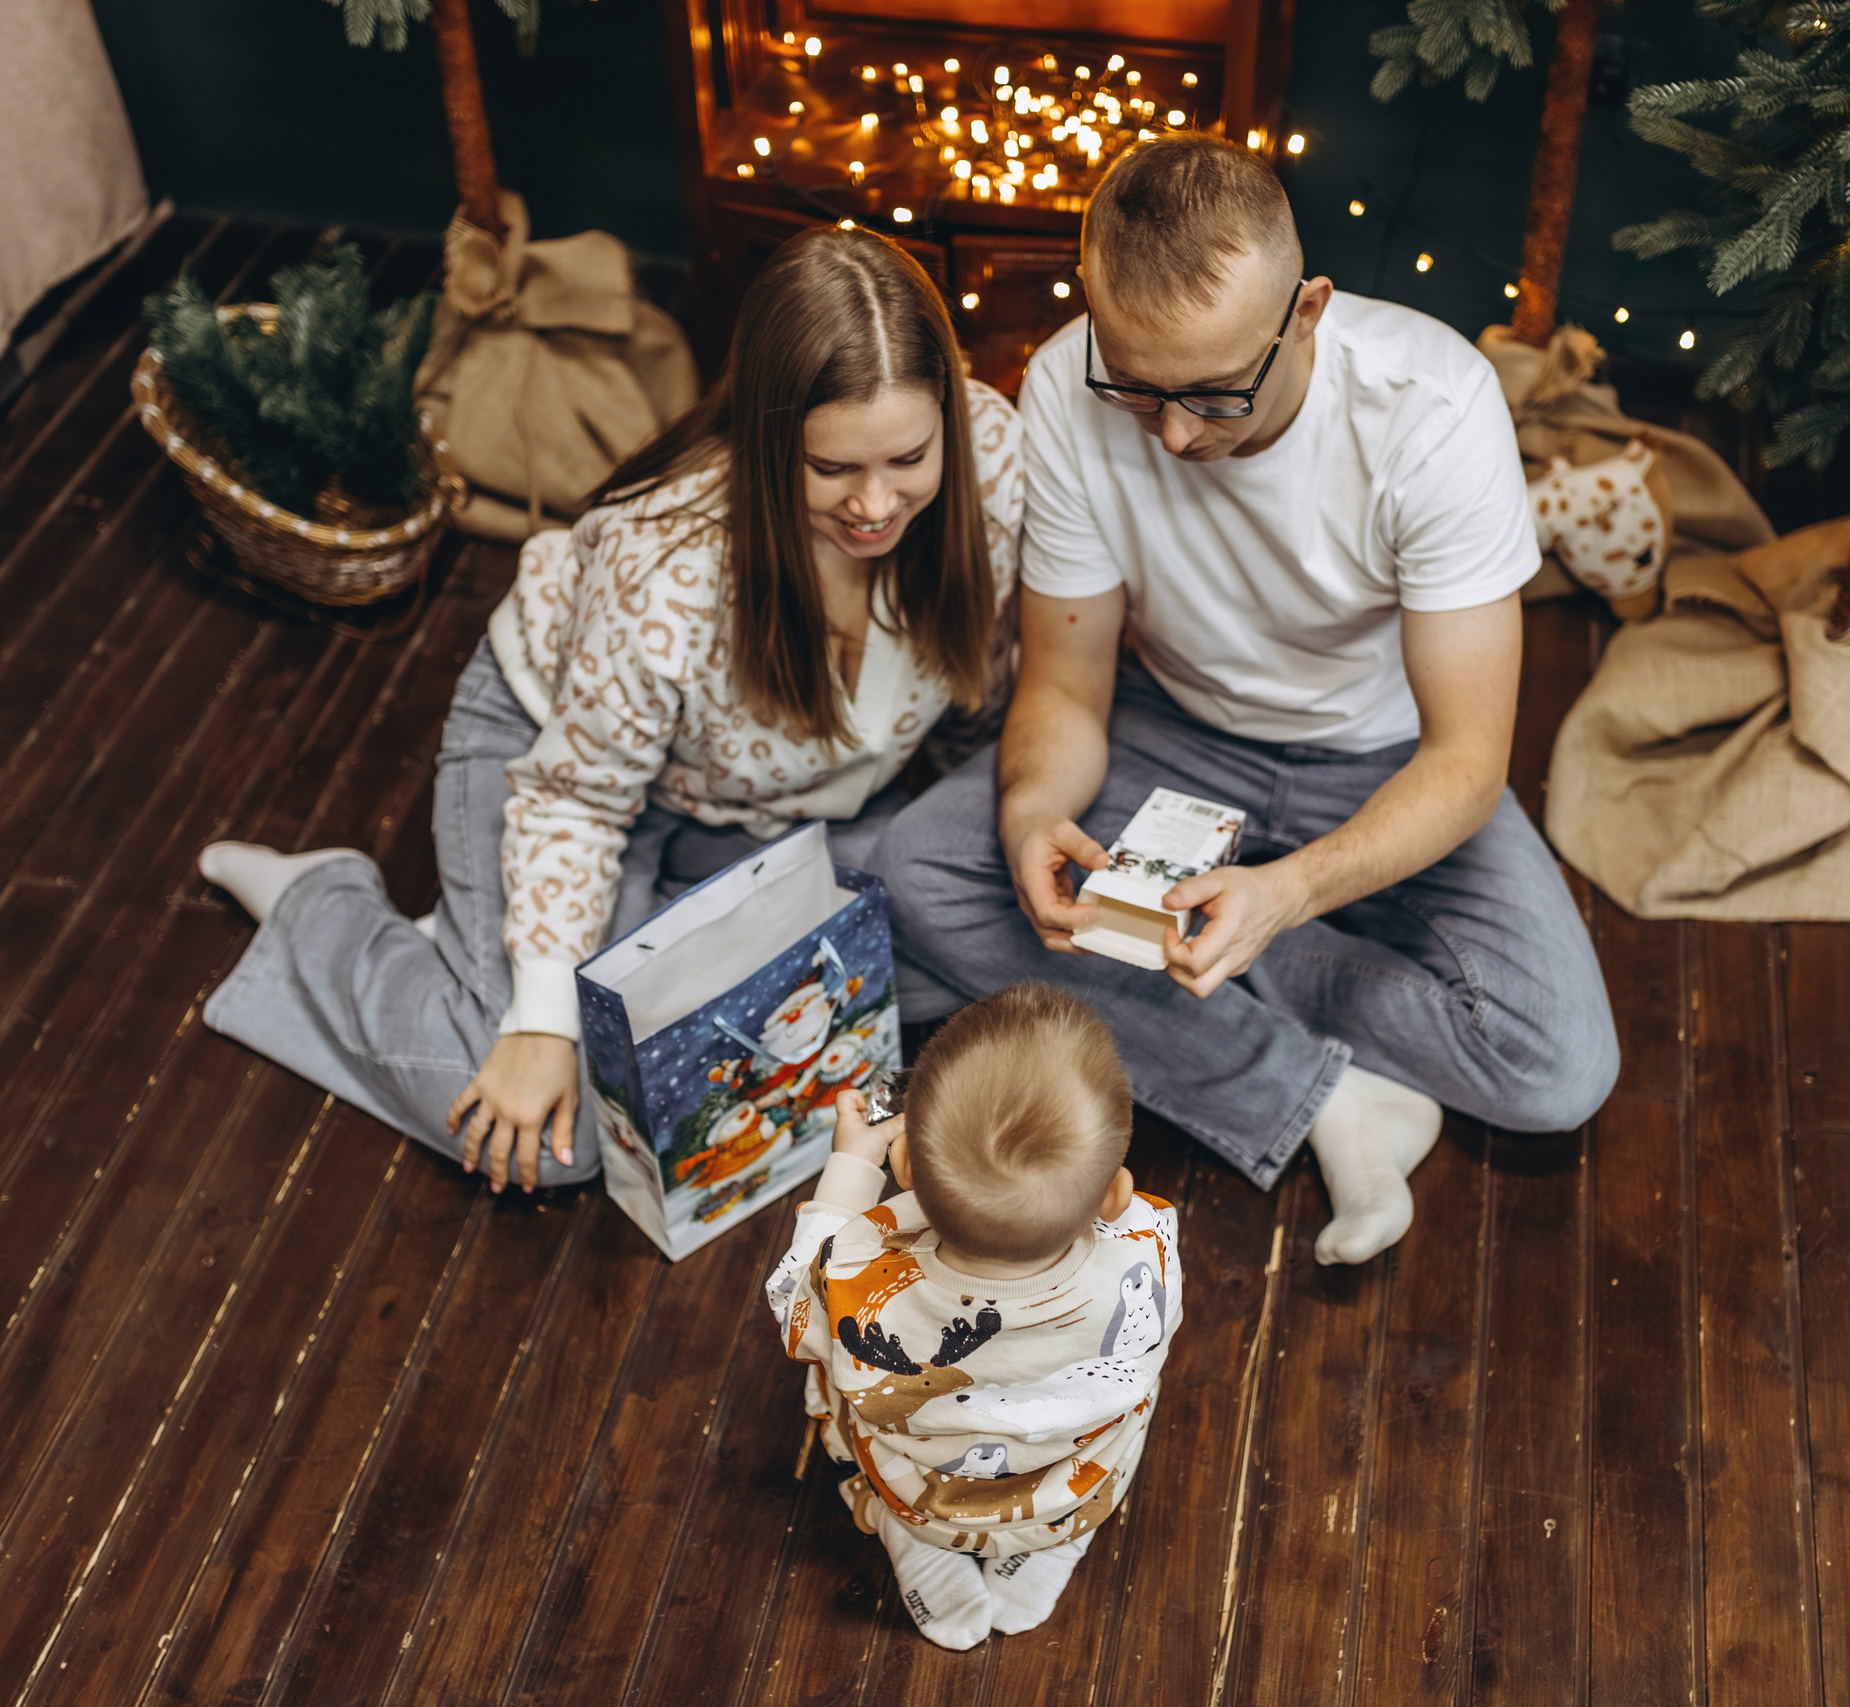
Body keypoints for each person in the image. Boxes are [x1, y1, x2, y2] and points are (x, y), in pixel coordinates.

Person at [878, 135, 1618, 1267]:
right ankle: (1327, 1100)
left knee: (1557, 1067)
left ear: (1308, 309)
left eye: (1216, 393)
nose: (1175, 435)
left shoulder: (1434, 407)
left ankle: (1169, 969)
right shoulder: (1067, 389)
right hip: (1169, 736)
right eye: (1140, 390)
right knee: (921, 865)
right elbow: (1067, 689)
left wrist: (1284, 896)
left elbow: (1469, 761)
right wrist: (1033, 817)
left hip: (1384, 758)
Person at [198, 227, 1022, 1194]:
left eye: (907, 458)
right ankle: (321, 907)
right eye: (831, 468)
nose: (877, 504)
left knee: (940, 972)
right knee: (564, 1137)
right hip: (564, 759)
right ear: (763, 440)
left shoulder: (993, 459)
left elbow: (987, 664)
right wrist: (541, 1023)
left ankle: (530, 941)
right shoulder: (665, 562)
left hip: (762, 807)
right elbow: (578, 801)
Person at [764, 983, 1180, 1650]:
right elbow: (1125, 1224)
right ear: (1116, 1192)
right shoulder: (1146, 1251)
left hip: (920, 1489)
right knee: (1135, 1386)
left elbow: (793, 1301)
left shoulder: (858, 1271)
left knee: (835, 1370)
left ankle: (912, 1537)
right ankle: (1051, 1543)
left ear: (903, 1165)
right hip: (1072, 1481)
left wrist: (849, 1166)